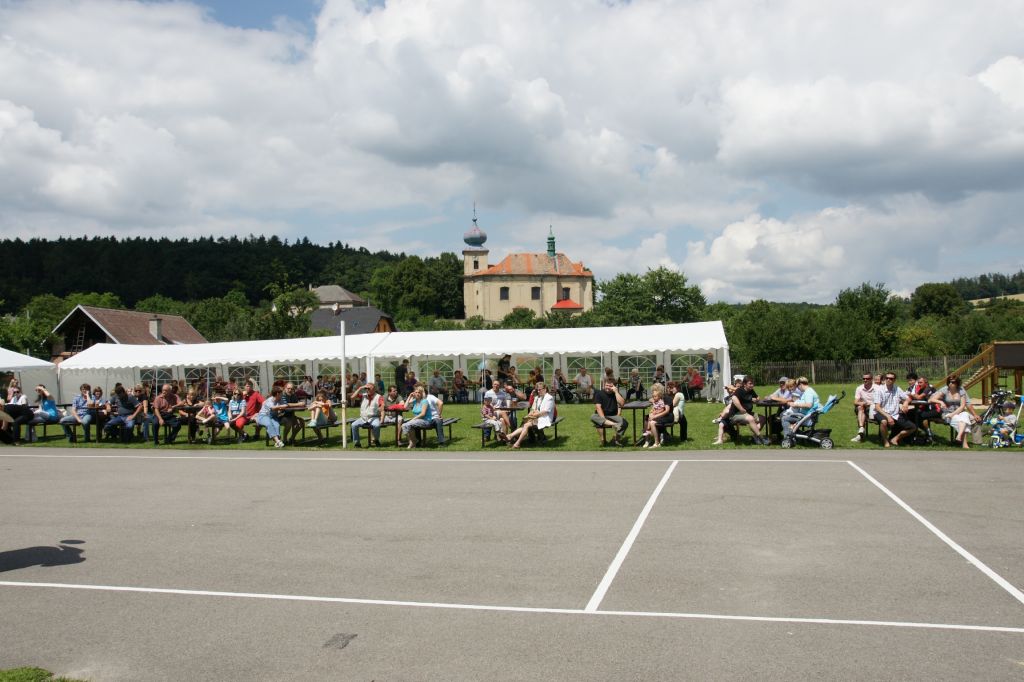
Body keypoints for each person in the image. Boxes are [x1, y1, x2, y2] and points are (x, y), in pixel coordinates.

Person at [714, 376, 768, 445]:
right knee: (750, 418)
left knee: (763, 418)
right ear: (744, 384)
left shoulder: (751, 390)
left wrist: (756, 399)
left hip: (747, 413)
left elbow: (757, 397)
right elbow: (734, 398)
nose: (752, 385)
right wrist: (741, 409)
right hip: (735, 414)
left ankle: (755, 435)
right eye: (750, 383)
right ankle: (761, 438)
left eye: (753, 383)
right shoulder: (740, 390)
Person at [929, 375, 977, 449]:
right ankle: (964, 444)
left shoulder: (961, 390)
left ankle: (959, 436)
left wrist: (953, 414)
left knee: (965, 415)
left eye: (953, 382)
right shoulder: (945, 389)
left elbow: (962, 406)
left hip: (959, 412)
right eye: (949, 382)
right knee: (963, 420)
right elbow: (931, 399)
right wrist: (941, 402)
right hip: (947, 413)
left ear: (957, 383)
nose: (950, 384)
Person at [507, 382, 555, 449]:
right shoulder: (538, 398)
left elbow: (545, 412)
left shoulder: (549, 398)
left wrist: (534, 415)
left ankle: (515, 440)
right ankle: (512, 437)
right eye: (537, 390)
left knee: (526, 425)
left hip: (545, 418)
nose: (538, 391)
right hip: (537, 417)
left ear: (545, 389)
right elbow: (533, 409)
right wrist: (529, 415)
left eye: (540, 389)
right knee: (525, 422)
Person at [874, 372, 916, 448]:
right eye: (887, 378)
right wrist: (888, 417)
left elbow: (908, 398)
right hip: (882, 412)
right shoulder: (879, 390)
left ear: (894, 380)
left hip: (895, 414)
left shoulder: (897, 388)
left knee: (912, 427)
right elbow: (877, 407)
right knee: (884, 422)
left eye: (891, 378)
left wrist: (906, 403)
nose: (888, 380)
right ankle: (885, 441)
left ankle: (895, 439)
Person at [591, 378, 627, 445]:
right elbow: (598, 407)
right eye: (606, 385)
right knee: (593, 417)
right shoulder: (599, 393)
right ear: (604, 385)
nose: (608, 387)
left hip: (613, 415)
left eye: (610, 386)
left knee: (624, 423)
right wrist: (603, 419)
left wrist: (616, 392)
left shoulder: (616, 394)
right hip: (601, 415)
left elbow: (622, 404)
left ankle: (616, 439)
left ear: (614, 387)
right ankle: (604, 438)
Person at [351, 383, 384, 447]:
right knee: (353, 425)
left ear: (374, 389)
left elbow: (382, 406)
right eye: (367, 388)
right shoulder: (363, 395)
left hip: (374, 417)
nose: (367, 390)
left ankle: (376, 440)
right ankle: (357, 443)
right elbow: (352, 397)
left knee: (377, 425)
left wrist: (382, 418)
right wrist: (360, 388)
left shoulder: (379, 397)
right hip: (363, 418)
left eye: (369, 388)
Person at [641, 383, 673, 448]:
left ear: (659, 391)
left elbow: (666, 411)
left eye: (654, 390)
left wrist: (655, 416)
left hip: (667, 416)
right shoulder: (657, 397)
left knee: (652, 422)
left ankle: (656, 442)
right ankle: (647, 439)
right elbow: (651, 399)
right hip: (659, 414)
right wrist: (652, 400)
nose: (653, 392)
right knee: (647, 417)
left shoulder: (666, 398)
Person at [851, 373, 875, 442]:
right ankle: (861, 428)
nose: (865, 380)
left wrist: (870, 404)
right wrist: (862, 403)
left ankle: (860, 435)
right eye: (864, 378)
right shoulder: (859, 388)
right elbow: (855, 402)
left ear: (871, 379)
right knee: (860, 407)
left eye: (867, 379)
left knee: (861, 410)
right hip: (864, 407)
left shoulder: (877, 388)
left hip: (874, 408)